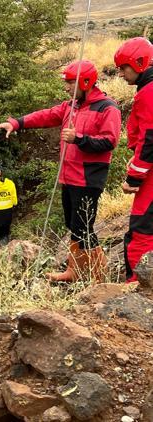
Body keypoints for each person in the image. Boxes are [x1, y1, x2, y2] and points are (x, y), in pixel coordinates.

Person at [0, 60, 122, 282]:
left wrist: (79, 138)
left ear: (86, 82)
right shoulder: (71, 106)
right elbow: (46, 115)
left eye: (71, 83)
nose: (67, 88)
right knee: (74, 225)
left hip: (88, 179)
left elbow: (110, 141)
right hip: (69, 177)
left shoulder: (107, 107)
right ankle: (75, 271)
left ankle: (98, 276)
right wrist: (16, 123)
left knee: (83, 227)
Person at [115, 37, 153, 283]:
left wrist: (134, 177)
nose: (120, 73)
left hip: (150, 178)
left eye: (123, 67)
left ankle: (135, 289)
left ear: (139, 63)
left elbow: (150, 138)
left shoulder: (148, 93)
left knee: (141, 232)